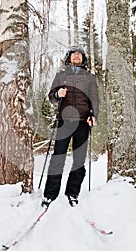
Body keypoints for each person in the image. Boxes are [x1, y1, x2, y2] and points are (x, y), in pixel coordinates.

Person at [42, 45, 99, 207]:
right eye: (74, 54)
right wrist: (57, 94)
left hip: (82, 122)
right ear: (68, 57)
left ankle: (73, 193)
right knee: (57, 158)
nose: (76, 56)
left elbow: (94, 98)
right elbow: (51, 97)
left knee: (79, 160)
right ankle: (50, 194)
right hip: (64, 121)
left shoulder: (89, 78)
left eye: (80, 55)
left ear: (83, 59)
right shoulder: (61, 76)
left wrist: (93, 116)